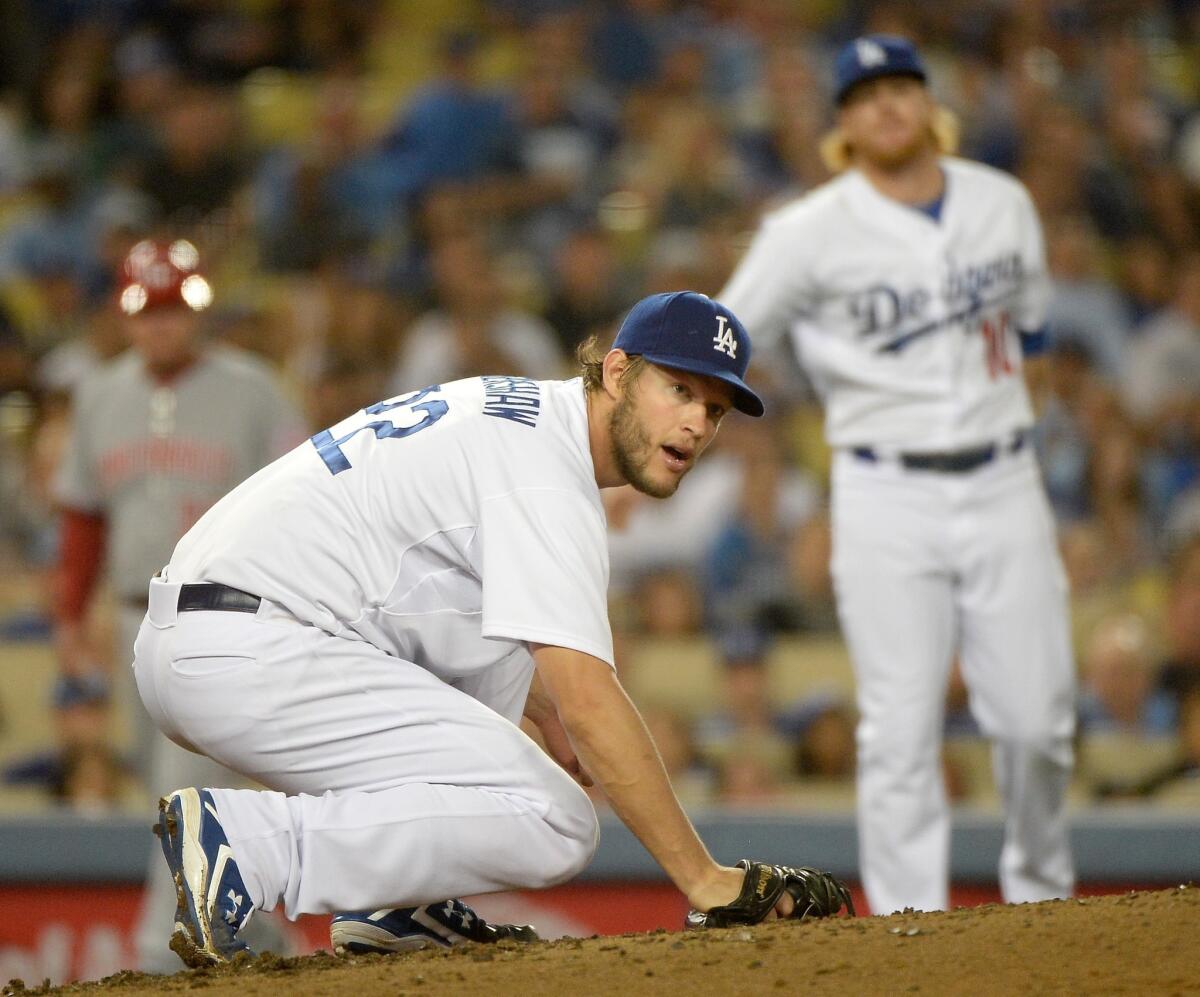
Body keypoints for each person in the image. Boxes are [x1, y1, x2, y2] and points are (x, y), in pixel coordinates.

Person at [132, 291, 852, 966]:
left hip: (223, 629)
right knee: (556, 818)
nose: (697, 421)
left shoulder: (522, 415)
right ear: (618, 370)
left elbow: (463, 619)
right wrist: (704, 877)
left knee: (505, 687)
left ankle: (400, 905)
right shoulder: (547, 472)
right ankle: (247, 847)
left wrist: (544, 713)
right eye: (682, 390)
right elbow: (591, 698)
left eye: (717, 408)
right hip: (253, 643)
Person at [719, 35, 1077, 914]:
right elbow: (723, 334)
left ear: (928, 104)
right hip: (885, 489)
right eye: (866, 93)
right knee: (900, 727)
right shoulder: (806, 231)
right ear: (842, 122)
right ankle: (909, 922)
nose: (885, 104)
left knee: (1037, 723)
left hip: (1002, 479)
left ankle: (1042, 896)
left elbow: (1031, 336)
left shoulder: (1003, 204)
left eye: (901, 87)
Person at [53, 238, 307, 969]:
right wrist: (72, 618)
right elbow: (82, 519)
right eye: (147, 312)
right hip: (134, 613)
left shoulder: (255, 389)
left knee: (178, 787)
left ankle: (154, 944)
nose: (161, 327)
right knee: (160, 780)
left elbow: (301, 504)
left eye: (174, 310)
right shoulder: (101, 392)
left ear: (198, 310)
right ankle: (257, 933)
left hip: (223, 616)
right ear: (125, 316)